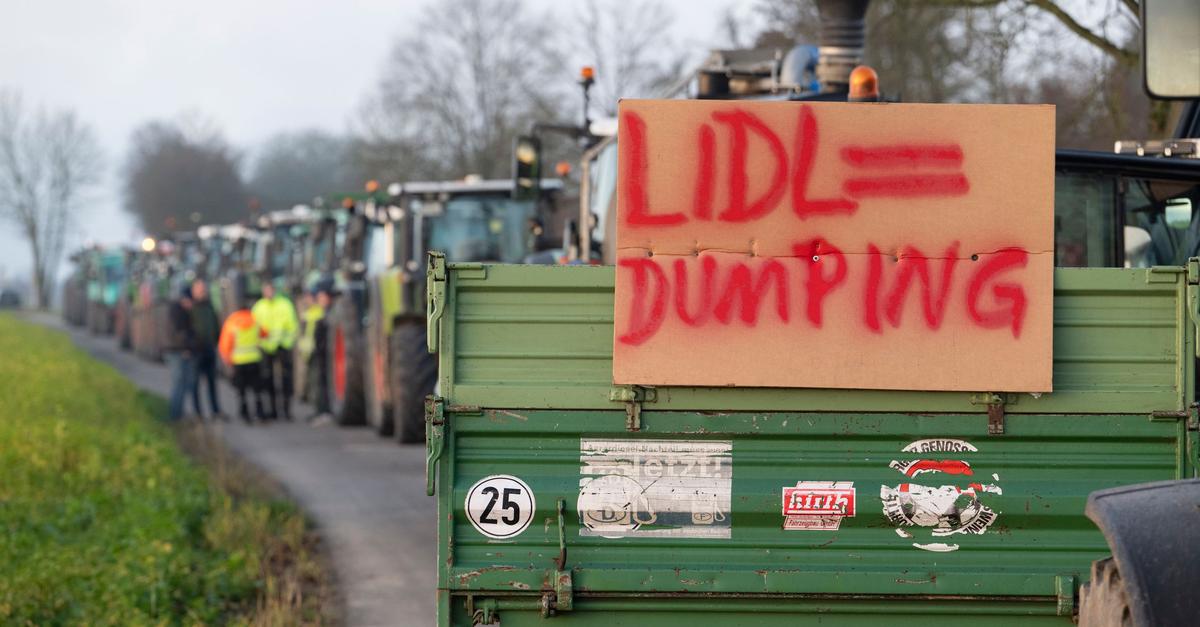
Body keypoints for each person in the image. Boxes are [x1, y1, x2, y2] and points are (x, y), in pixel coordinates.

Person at [252, 281, 299, 420]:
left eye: (270, 290)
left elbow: (292, 325)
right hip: (266, 348)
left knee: (286, 379)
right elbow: (255, 327)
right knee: (268, 380)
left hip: (283, 346)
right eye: (266, 291)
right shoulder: (259, 307)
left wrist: (288, 342)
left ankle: (286, 410)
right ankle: (272, 410)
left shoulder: (285, 304)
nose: (269, 293)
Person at [218, 299, 267, 424]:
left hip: (239, 361)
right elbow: (265, 334)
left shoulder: (232, 321)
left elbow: (225, 344)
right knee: (257, 389)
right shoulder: (254, 319)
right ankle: (260, 413)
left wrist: (227, 360)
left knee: (242, 390)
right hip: (254, 360)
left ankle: (245, 414)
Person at [189, 279, 225, 421]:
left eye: (203, 288)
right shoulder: (191, 308)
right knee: (195, 383)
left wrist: (216, 341)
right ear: (194, 291)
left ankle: (215, 411)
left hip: (209, 349)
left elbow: (216, 325)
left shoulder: (210, 307)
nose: (202, 291)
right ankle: (198, 413)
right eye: (199, 289)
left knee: (212, 383)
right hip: (196, 351)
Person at [302, 285, 334, 424]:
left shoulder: (321, 313)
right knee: (316, 384)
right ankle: (319, 411)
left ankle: (324, 412)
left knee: (321, 385)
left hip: (320, 354)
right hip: (313, 354)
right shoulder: (312, 313)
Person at [165, 285, 196, 421]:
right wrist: (185, 348)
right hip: (176, 352)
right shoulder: (177, 312)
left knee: (182, 383)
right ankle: (175, 415)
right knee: (179, 382)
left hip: (177, 350)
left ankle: (178, 413)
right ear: (185, 299)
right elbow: (178, 334)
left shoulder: (178, 310)